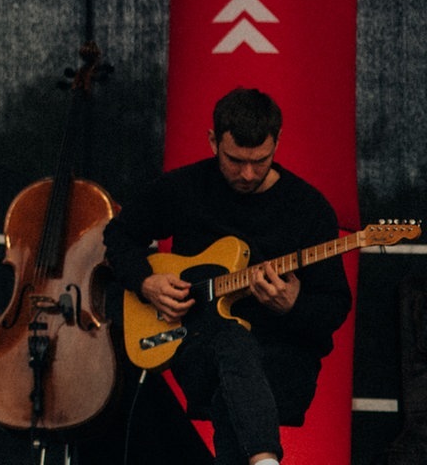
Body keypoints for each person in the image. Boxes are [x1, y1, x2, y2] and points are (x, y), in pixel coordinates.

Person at [102, 87, 352, 465]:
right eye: (234, 160)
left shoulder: (309, 208)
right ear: (212, 141)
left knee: (232, 389)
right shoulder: (185, 188)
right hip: (197, 344)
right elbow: (119, 235)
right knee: (231, 344)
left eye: (261, 161)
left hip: (282, 359)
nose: (248, 174)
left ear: (278, 142)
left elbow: (334, 307)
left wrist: (293, 305)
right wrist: (145, 282)